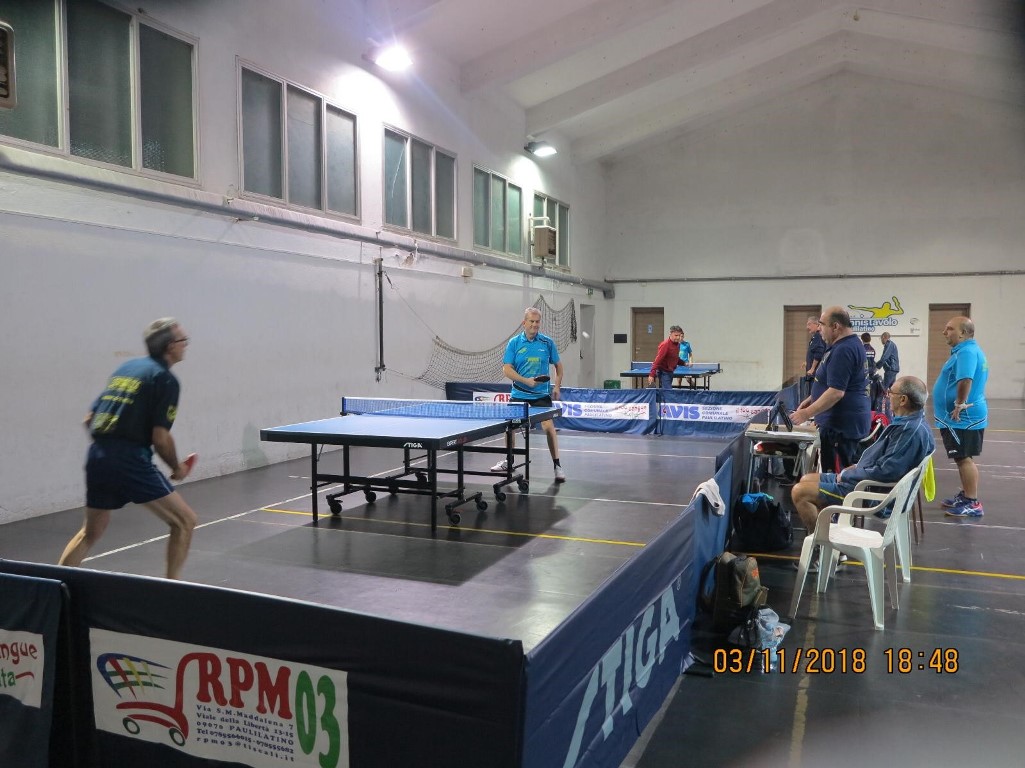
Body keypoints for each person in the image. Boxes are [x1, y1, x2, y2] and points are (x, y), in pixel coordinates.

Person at [59, 318, 198, 579]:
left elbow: (89, 419)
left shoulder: (127, 368)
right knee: (185, 521)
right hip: (129, 459)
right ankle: (171, 592)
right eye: (183, 341)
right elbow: (161, 438)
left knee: (90, 532)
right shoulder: (165, 380)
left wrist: (110, 449)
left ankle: (54, 587)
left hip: (98, 456)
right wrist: (177, 468)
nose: (186, 345)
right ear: (170, 346)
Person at [790, 376, 934, 567]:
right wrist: (857, 468)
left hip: (872, 493)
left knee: (800, 492)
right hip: (866, 481)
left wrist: (847, 474)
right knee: (807, 479)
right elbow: (886, 464)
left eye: (891, 392)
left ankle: (820, 551)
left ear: (903, 400)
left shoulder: (909, 430)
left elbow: (886, 472)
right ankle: (833, 545)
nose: (887, 396)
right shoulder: (910, 423)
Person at [791, 307, 871, 473]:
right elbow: (835, 383)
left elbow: (836, 392)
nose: (819, 328)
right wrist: (812, 399)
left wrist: (806, 413)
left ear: (836, 326)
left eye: (822, 324)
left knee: (837, 478)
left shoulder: (844, 350)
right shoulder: (845, 345)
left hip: (841, 430)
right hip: (841, 427)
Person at [491, 307, 566, 482]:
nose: (534, 324)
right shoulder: (514, 343)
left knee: (549, 427)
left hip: (541, 395)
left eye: (537, 321)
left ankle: (557, 466)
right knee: (509, 428)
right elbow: (507, 369)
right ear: (524, 322)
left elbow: (559, 366)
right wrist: (526, 381)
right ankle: (508, 461)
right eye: (531, 321)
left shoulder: (547, 342)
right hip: (519, 393)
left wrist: (557, 386)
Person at [933, 316, 989, 517]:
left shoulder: (966, 352)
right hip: (961, 418)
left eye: (949, 329)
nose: (944, 332)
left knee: (964, 458)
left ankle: (972, 502)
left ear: (963, 333)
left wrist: (959, 404)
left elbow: (965, 380)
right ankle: (966, 496)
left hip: (963, 418)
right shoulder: (965, 350)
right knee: (961, 457)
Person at [804, 316, 826, 401]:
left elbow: (819, 353)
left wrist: (812, 368)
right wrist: (807, 362)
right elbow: (813, 353)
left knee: (815, 397)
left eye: (809, 324)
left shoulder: (818, 337)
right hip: (813, 374)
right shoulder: (814, 338)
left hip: (815, 374)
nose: (807, 327)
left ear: (817, 325)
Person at [876, 331, 900, 406]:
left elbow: (884, 357)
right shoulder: (891, 344)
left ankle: (879, 407)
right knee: (892, 389)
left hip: (891, 369)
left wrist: (877, 367)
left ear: (883, 337)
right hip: (893, 369)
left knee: (883, 388)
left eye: (881, 339)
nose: (881, 341)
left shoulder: (889, 344)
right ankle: (894, 406)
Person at [861, 332, 882, 412]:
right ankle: (872, 409)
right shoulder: (872, 349)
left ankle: (865, 407)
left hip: (864, 372)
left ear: (862, 339)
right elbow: (872, 361)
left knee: (865, 392)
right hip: (872, 372)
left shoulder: (861, 349)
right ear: (870, 339)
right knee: (872, 392)